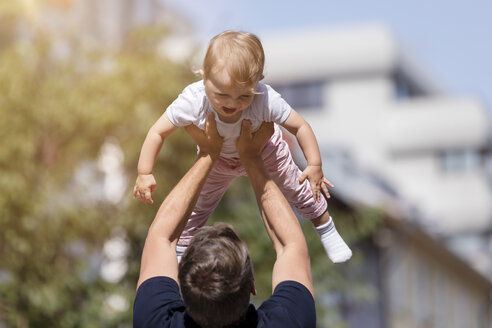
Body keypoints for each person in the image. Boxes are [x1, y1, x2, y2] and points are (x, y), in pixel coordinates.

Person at [133, 30, 351, 263]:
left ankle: (326, 228)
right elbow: (158, 132)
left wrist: (314, 164)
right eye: (222, 94)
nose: (232, 104)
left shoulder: (266, 98)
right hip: (218, 160)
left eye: (244, 97)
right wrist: (144, 172)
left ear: (258, 81)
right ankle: (179, 253)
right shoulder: (193, 99)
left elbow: (300, 126)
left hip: (266, 150)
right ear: (203, 76)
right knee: (197, 204)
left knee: (297, 187)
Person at [133, 115, 316, 327]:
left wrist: (209, 155)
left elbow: (161, 237)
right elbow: (290, 245)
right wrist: (251, 158)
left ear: (180, 281)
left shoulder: (154, 321)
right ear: (252, 286)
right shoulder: (287, 321)